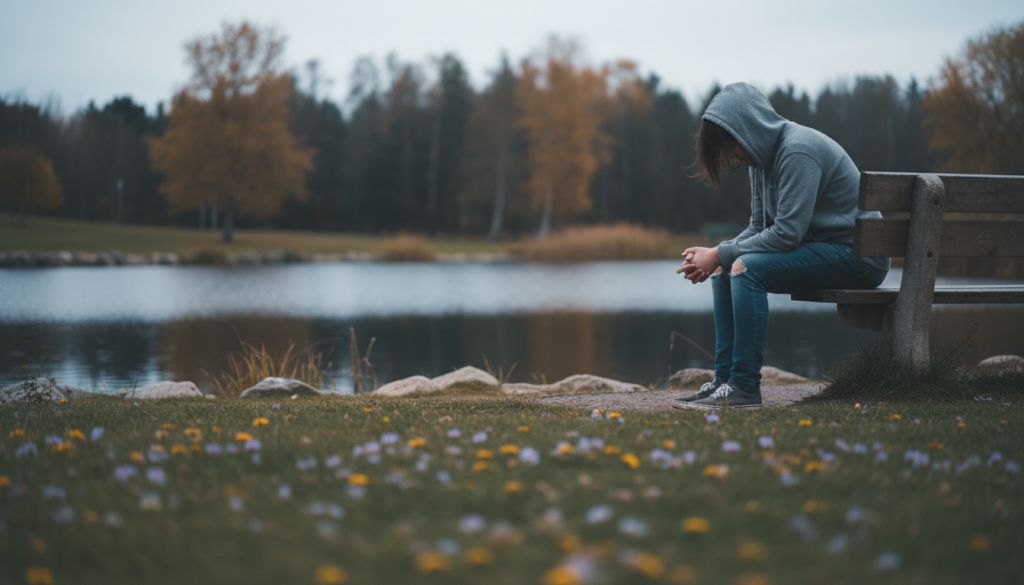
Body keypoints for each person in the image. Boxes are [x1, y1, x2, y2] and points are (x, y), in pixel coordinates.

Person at [674, 83, 889, 409]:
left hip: (858, 255)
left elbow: (788, 233)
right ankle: (725, 382)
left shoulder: (798, 151)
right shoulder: (761, 161)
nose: (732, 155)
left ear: (750, 128)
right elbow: (759, 228)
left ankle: (745, 387)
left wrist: (719, 253)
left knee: (744, 270)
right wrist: (718, 256)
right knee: (725, 273)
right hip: (823, 248)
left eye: (731, 145)